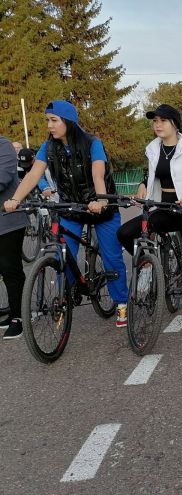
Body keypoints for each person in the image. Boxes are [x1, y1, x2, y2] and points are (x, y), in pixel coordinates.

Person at [4, 100, 129, 327]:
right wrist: (15, 199)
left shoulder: (92, 143)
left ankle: (121, 302)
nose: (49, 126)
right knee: (62, 255)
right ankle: (66, 296)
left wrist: (101, 200)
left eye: (54, 120)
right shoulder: (48, 146)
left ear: (68, 121)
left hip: (101, 208)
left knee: (112, 256)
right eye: (47, 121)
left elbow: (98, 174)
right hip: (71, 208)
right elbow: (33, 175)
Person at [117, 104, 182, 328]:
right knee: (125, 233)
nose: (157, 125)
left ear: (174, 124)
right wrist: (143, 184)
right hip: (164, 207)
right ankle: (147, 266)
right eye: (154, 121)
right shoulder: (153, 149)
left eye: (162, 121)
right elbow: (152, 174)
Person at [0, 136, 28, 339]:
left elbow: (3, 177)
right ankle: (9, 310)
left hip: (8, 220)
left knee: (11, 269)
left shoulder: (4, 146)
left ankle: (18, 316)